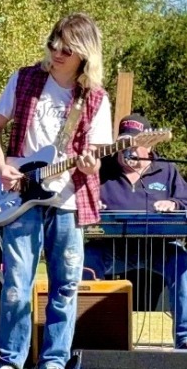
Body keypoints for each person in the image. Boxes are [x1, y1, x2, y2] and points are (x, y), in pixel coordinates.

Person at [0, 12, 113, 369]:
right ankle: (10, 359)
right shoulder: (25, 79)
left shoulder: (95, 98)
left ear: (85, 54)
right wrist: (1, 167)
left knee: (66, 287)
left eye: (67, 49)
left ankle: (53, 362)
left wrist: (90, 164)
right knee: (15, 285)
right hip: (19, 196)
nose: (57, 52)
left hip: (68, 200)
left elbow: (96, 158)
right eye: (54, 43)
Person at [83, 113, 187, 350]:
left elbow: (185, 200)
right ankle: (86, 333)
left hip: (158, 248)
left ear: (148, 145)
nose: (127, 149)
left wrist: (175, 204)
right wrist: (90, 203)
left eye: (134, 143)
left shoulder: (167, 169)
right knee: (84, 260)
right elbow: (79, 197)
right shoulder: (103, 168)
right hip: (111, 248)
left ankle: (184, 337)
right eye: (123, 143)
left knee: (183, 264)